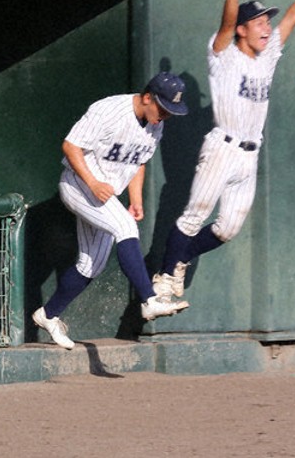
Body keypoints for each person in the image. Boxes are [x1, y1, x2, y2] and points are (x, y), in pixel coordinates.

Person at [154, 0, 295, 301]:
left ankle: (182, 259)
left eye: (267, 22)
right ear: (243, 30)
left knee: (227, 229)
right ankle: (164, 275)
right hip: (223, 148)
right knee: (194, 217)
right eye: (260, 22)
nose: (267, 27)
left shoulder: (268, 56)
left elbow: (292, 17)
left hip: (250, 155)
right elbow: (226, 24)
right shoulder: (224, 55)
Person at [32, 73, 192, 350]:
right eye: (163, 108)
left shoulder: (155, 125)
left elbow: (138, 161)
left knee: (91, 265)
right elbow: (71, 146)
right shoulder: (108, 109)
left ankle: (47, 315)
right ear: (146, 98)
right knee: (126, 228)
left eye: (170, 111)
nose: (166, 115)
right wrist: (92, 182)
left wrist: (136, 198)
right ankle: (149, 299)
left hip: (106, 193)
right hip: (78, 184)